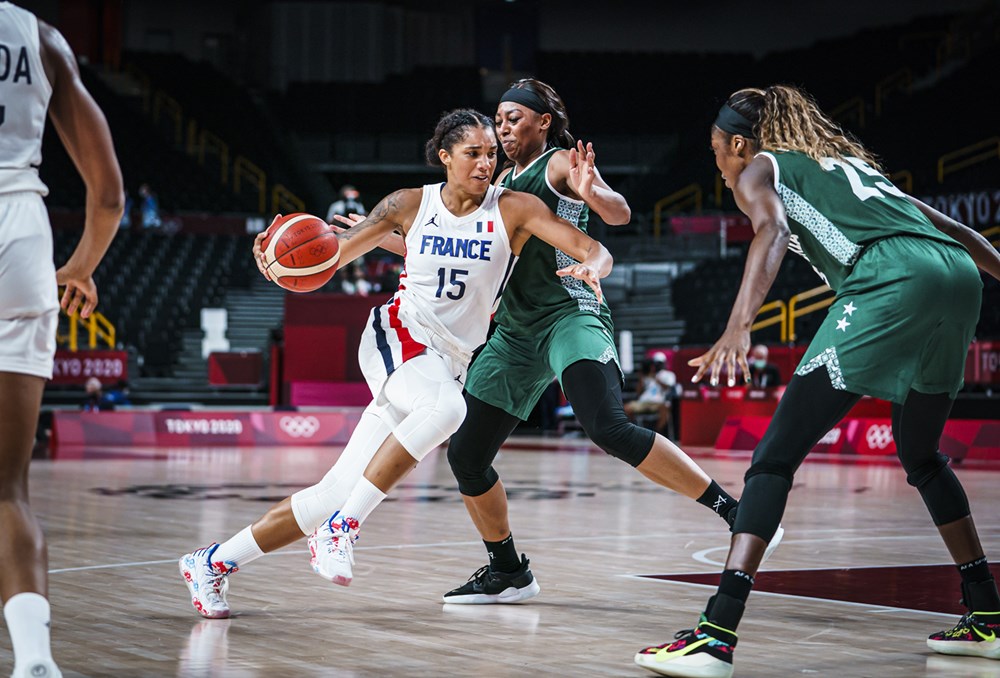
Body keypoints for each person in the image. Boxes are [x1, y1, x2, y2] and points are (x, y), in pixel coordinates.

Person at [178, 108, 614, 617]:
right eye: (473, 153)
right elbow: (332, 252)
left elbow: (591, 246)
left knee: (332, 491)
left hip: (447, 360)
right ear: (446, 156)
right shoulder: (410, 203)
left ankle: (211, 562)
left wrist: (592, 265)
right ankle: (342, 529)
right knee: (450, 410)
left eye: (491, 154)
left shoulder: (515, 208)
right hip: (399, 337)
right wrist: (273, 258)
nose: (485, 164)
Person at [634, 85, 1000, 678]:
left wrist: (738, 326)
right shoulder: (852, 166)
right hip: (958, 279)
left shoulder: (762, 167)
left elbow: (772, 232)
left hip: (888, 278)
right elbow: (963, 236)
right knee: (923, 455)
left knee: (773, 461)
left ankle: (716, 633)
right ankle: (987, 614)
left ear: (738, 143)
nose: (720, 166)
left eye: (717, 152)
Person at [435, 79, 778, 605]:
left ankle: (736, 512)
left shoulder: (557, 164)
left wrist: (593, 191)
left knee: (608, 426)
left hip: (570, 312)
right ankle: (508, 571)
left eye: (513, 118)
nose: (503, 128)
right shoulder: (499, 179)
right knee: (466, 455)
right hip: (516, 331)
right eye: (498, 120)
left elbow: (618, 214)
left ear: (542, 122)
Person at [0, 4, 123, 677]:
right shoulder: (39, 36)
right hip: (21, 233)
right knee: (7, 489)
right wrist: (79, 267)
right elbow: (107, 195)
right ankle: (35, 660)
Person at [624, 352, 677, 436]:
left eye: (659, 363)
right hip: (644, 402)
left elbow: (668, 388)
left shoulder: (669, 375)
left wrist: (657, 379)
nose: (658, 366)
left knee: (665, 408)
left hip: (658, 402)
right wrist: (641, 377)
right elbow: (638, 392)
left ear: (664, 363)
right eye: (656, 364)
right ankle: (634, 433)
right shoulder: (648, 375)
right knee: (626, 408)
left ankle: (656, 434)